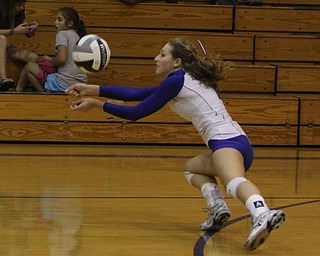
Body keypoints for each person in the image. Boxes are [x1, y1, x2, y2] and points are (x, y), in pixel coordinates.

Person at [65, 38, 285, 251]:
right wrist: (92, 89)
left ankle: (262, 213)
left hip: (226, 141)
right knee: (192, 169)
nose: (156, 58)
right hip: (234, 140)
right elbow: (136, 94)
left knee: (234, 182)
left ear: (177, 61)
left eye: (162, 54)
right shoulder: (180, 80)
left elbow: (136, 112)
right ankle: (217, 208)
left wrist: (96, 104)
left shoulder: (176, 81)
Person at [15, 7, 88, 92]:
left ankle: (42, 93)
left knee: (29, 67)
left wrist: (49, 59)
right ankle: (18, 90)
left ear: (70, 23)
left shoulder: (62, 34)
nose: (55, 22)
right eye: (55, 19)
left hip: (64, 83)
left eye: (59, 20)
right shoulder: (77, 36)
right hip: (80, 84)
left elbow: (61, 59)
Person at [0, 0, 39, 91]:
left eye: (23, 5)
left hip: (3, 47)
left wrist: (30, 30)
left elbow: (26, 33)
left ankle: (19, 90)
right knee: (2, 38)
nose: (21, 8)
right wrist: (14, 31)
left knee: (33, 57)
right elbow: (14, 31)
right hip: (2, 42)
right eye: (18, 5)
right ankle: (2, 79)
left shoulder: (19, 11)